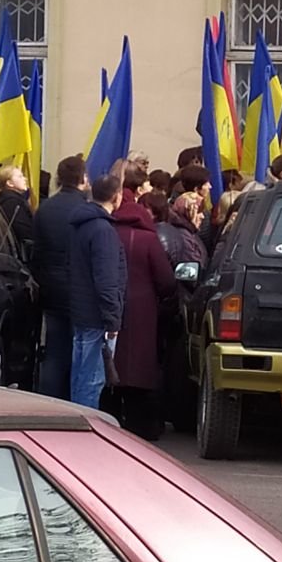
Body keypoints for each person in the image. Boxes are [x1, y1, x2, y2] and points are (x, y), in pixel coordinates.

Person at [111, 172, 177, 440]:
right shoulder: (148, 239)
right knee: (139, 367)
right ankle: (141, 426)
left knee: (111, 366)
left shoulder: (108, 231)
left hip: (112, 306)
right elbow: (166, 280)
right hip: (143, 311)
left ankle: (112, 417)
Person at [33, 155, 89, 400]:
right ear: (82, 178)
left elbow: (37, 250)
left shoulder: (45, 208)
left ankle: (49, 401)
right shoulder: (87, 210)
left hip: (51, 288)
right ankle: (75, 403)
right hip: (80, 289)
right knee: (82, 352)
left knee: (55, 351)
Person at [68, 175, 125, 409]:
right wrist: (113, 319)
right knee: (92, 380)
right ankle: (84, 431)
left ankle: (75, 420)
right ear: (116, 196)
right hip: (97, 315)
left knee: (80, 375)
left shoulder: (80, 225)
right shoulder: (103, 231)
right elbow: (107, 279)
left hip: (80, 310)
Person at [0, 165, 35, 249]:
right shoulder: (12, 202)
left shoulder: (7, 199)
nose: (25, 179)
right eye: (20, 177)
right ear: (10, 183)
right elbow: (23, 231)